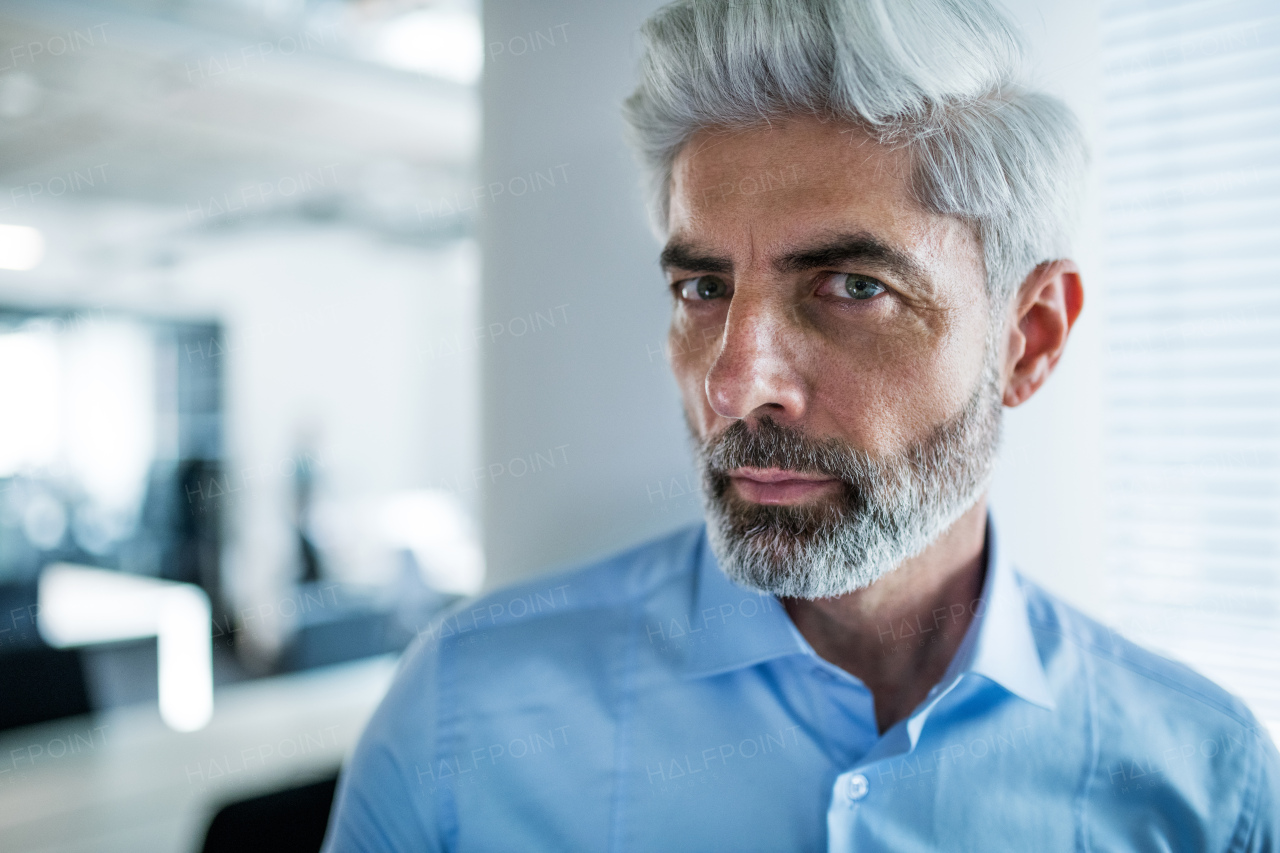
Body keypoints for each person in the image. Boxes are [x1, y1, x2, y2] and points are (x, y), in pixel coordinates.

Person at [324, 0, 1280, 849]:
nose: (739, 387)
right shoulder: (465, 713)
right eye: (703, 287)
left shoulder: (1204, 789)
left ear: (1026, 340)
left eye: (854, 286)